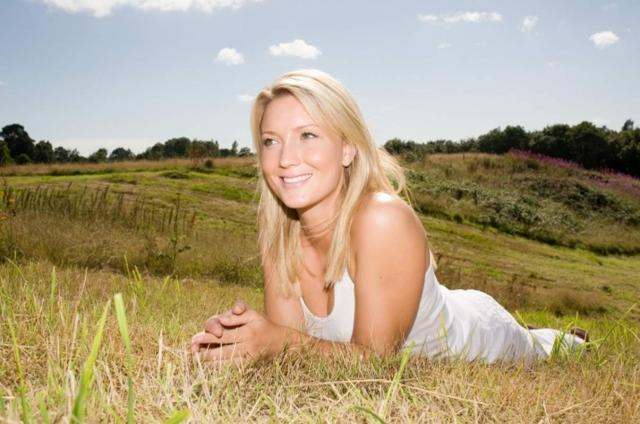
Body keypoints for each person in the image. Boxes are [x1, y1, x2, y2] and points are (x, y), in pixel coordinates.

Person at [190, 69, 586, 364]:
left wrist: (275, 342)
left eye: (307, 135)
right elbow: (292, 347)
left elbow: (375, 362)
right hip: (444, 306)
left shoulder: (383, 219)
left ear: (347, 148)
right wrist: (239, 340)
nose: (285, 159)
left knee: (545, 349)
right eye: (270, 141)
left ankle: (556, 338)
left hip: (479, 334)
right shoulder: (275, 227)